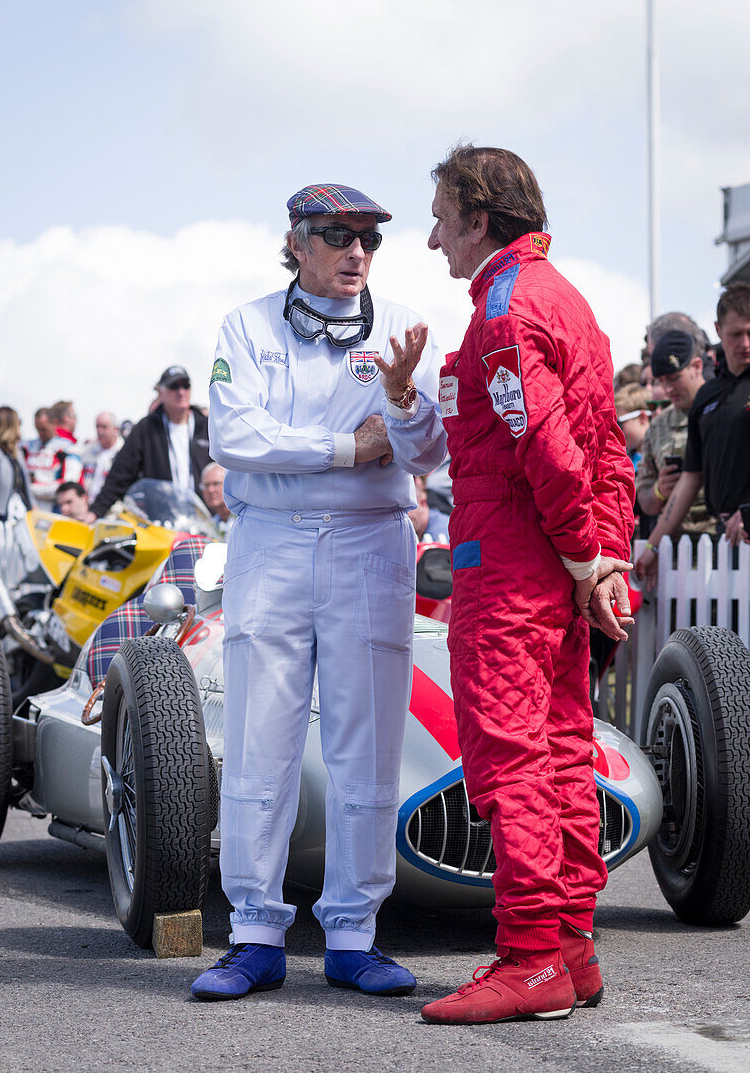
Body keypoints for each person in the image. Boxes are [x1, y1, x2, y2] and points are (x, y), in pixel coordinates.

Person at [190, 182, 446, 1002]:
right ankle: (254, 933)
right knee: (259, 738)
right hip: (268, 544)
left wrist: (400, 404)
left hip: (370, 546)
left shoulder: (404, 327)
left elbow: (425, 450)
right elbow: (236, 436)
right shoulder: (247, 324)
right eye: (337, 236)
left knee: (364, 746)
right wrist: (347, 447)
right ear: (295, 241)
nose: (356, 253)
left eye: (369, 240)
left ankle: (353, 934)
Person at [420, 145, 634, 1026]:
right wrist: (604, 559)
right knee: (559, 757)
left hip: (508, 565)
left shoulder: (503, 311)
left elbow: (545, 446)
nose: (432, 239)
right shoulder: (568, 299)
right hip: (554, 564)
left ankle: (530, 957)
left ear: (478, 217)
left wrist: (587, 555)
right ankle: (572, 950)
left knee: (511, 761)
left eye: (440, 218)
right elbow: (608, 448)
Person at [636, 282, 750, 586]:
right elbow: (691, 477)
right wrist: (652, 544)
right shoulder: (709, 397)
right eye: (736, 334)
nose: (746, 343)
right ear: (718, 330)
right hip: (715, 547)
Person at [86, 366, 211, 522]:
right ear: (161, 392)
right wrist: (95, 512)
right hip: (162, 522)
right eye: (174, 386)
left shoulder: (207, 426)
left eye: (185, 386)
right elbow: (120, 475)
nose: (181, 392)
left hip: (205, 520)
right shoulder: (146, 429)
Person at [635, 330, 714, 537]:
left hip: (723, 538)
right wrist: (660, 489)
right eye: (661, 381)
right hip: (673, 546)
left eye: (673, 377)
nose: (668, 389)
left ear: (697, 366)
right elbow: (644, 500)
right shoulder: (658, 426)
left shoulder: (721, 410)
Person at [25, 404, 83, 510]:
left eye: (43, 429)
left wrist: (31, 488)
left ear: (54, 423)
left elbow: (68, 484)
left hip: (54, 508)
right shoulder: (27, 447)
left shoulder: (68, 448)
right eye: (37, 429)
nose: (40, 433)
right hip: (28, 507)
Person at [80, 412, 123, 501]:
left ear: (115, 429)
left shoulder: (123, 452)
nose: (100, 431)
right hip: (86, 505)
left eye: (104, 427)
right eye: (97, 426)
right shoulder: (87, 450)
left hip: (111, 509)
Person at [614, 384, 651, 470]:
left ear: (642, 417)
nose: (617, 431)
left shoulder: (658, 455)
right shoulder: (624, 459)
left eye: (619, 423)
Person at [199, 462, 233, 538]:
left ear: (230, 485)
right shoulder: (208, 527)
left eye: (216, 484)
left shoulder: (244, 520)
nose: (210, 490)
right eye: (206, 485)